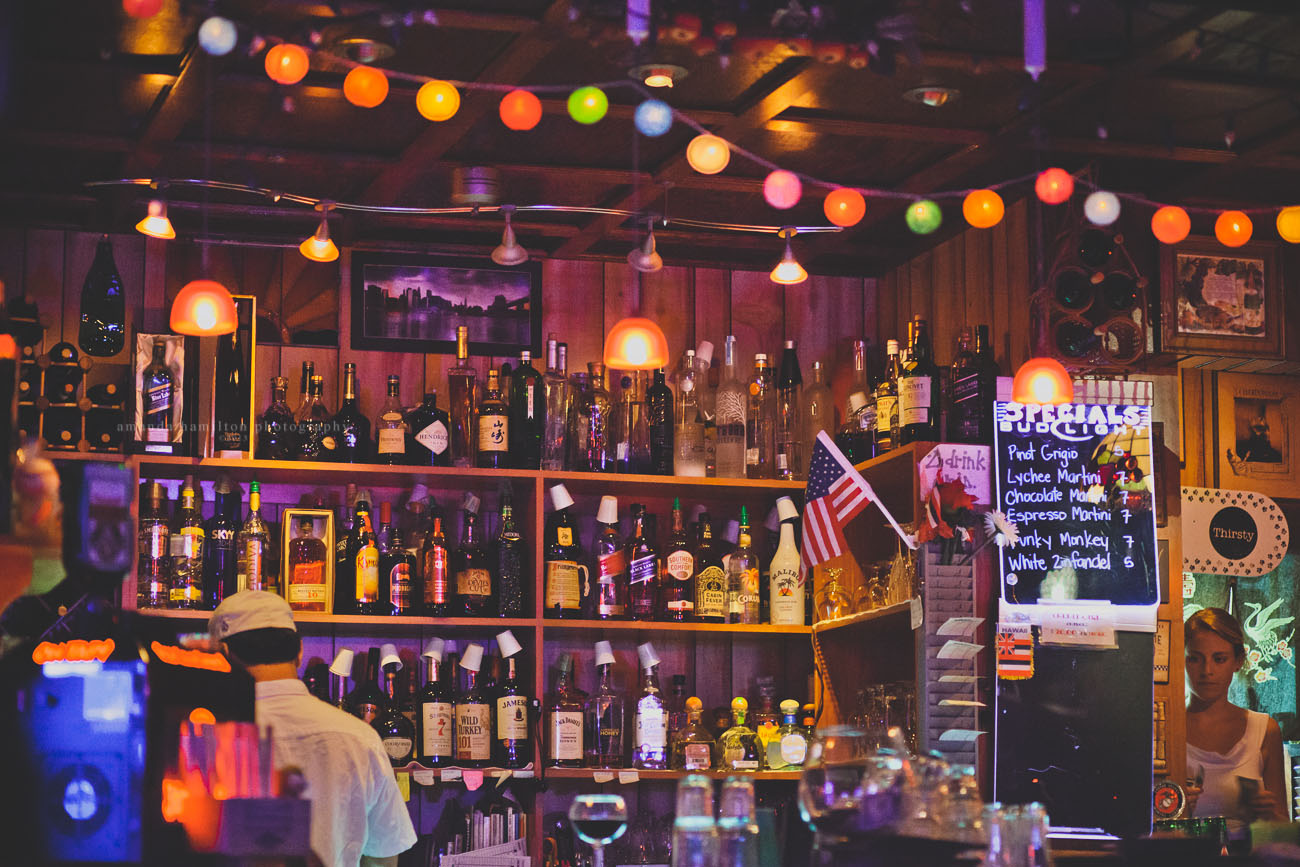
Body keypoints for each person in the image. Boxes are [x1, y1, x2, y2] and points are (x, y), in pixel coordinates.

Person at [210, 590, 417, 867]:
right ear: (299, 651)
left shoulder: (203, 735)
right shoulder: (360, 737)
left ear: (222, 654)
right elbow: (382, 859)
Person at [1183, 607, 1286, 836]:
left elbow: (1282, 829)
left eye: (1219, 659)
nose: (1207, 671)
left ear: (1238, 661)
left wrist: (1267, 813)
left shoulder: (1264, 730)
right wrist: (1171, 810)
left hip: (1247, 853)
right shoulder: (1164, 729)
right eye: (1195, 659)